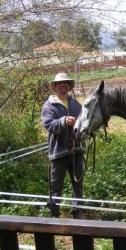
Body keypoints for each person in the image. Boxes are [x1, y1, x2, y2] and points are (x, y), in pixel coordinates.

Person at [41, 73, 87, 219]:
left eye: (66, 83)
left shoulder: (75, 104)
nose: (63, 85)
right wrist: (63, 121)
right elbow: (49, 125)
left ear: (69, 86)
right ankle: (54, 214)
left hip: (76, 150)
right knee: (56, 186)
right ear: (55, 86)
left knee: (77, 183)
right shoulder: (49, 106)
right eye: (60, 83)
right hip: (59, 151)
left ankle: (77, 211)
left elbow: (84, 120)